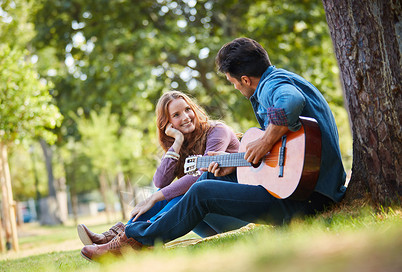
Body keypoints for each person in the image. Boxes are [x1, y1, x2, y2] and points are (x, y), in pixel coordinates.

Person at [80, 37, 347, 260]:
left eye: (232, 82)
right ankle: (129, 234)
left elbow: (291, 102)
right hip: (301, 188)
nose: (233, 87)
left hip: (307, 200)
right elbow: (281, 159)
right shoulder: (283, 78)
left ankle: (134, 243)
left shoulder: (271, 87)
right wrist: (238, 161)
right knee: (208, 176)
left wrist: (265, 140)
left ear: (244, 79)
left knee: (202, 189)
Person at [78, 91, 247, 256]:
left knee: (188, 191)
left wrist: (154, 197)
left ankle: (135, 239)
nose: (186, 117)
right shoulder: (182, 142)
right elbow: (160, 181)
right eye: (177, 115)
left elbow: (200, 177)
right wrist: (177, 142)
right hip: (209, 217)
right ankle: (121, 237)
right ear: (168, 123)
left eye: (187, 109)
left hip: (237, 212)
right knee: (172, 193)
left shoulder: (217, 131)